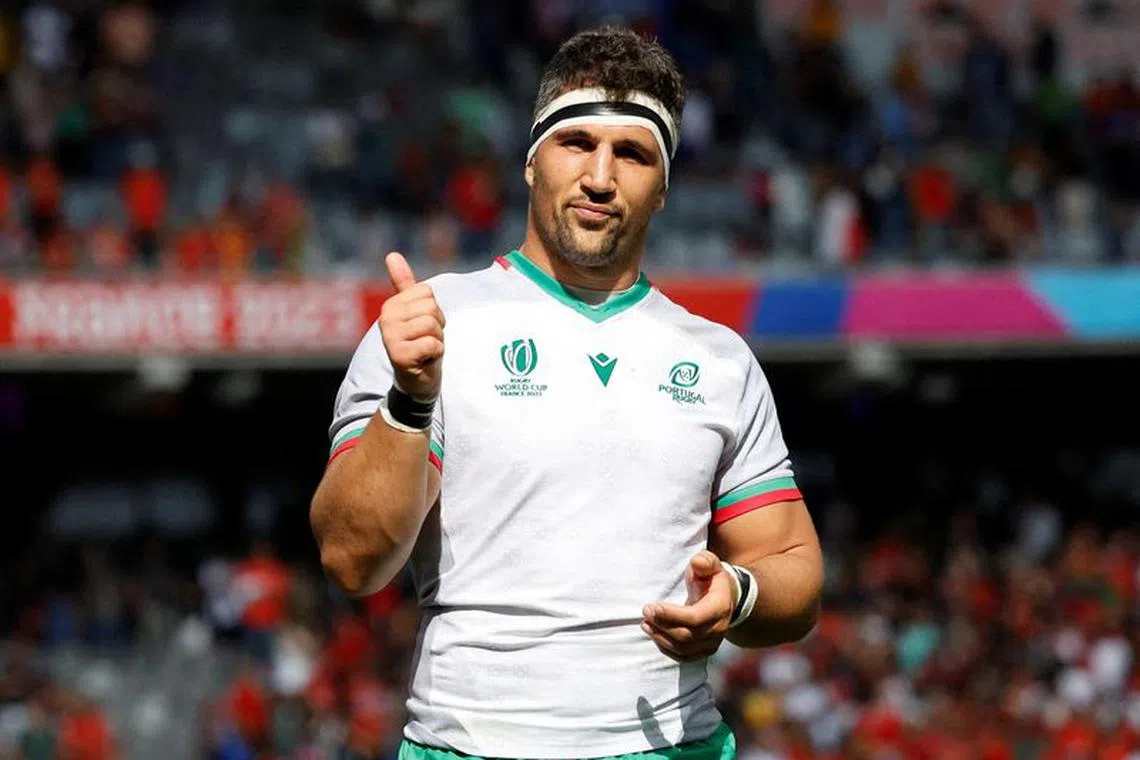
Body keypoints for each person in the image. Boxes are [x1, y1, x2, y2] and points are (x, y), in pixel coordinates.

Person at [310, 26, 823, 760]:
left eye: (634, 154)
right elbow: (351, 560)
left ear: (664, 186)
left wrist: (739, 595)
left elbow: (794, 568)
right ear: (531, 161)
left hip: (675, 747)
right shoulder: (430, 326)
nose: (601, 177)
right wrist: (410, 399)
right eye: (577, 142)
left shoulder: (718, 360)